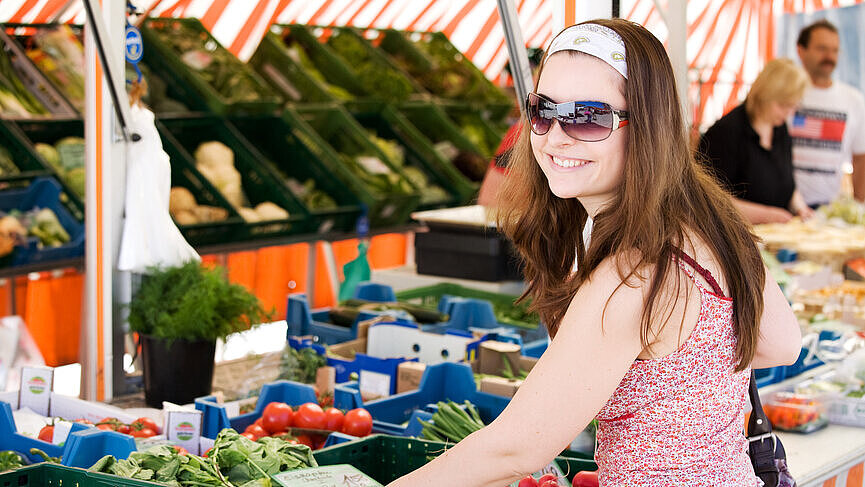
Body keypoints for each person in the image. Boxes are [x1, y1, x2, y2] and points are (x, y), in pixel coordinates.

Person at [387, 18, 801, 487]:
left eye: (588, 117)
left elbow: (516, 449)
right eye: (543, 110)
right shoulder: (710, 223)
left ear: (646, 125)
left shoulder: (635, 277)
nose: (555, 135)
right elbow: (782, 343)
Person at [698, 58, 813, 224]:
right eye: (783, 105)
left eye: (792, 106)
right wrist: (768, 215)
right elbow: (712, 198)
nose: (788, 113)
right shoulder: (726, 132)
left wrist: (800, 208)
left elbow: (787, 183)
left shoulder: (780, 130)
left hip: (776, 233)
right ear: (765, 95)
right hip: (737, 236)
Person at [792, 19, 865, 207]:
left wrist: (859, 208)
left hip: (828, 211)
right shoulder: (785, 94)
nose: (830, 57)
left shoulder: (854, 100)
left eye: (835, 50)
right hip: (782, 206)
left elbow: (860, 159)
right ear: (801, 50)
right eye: (822, 48)